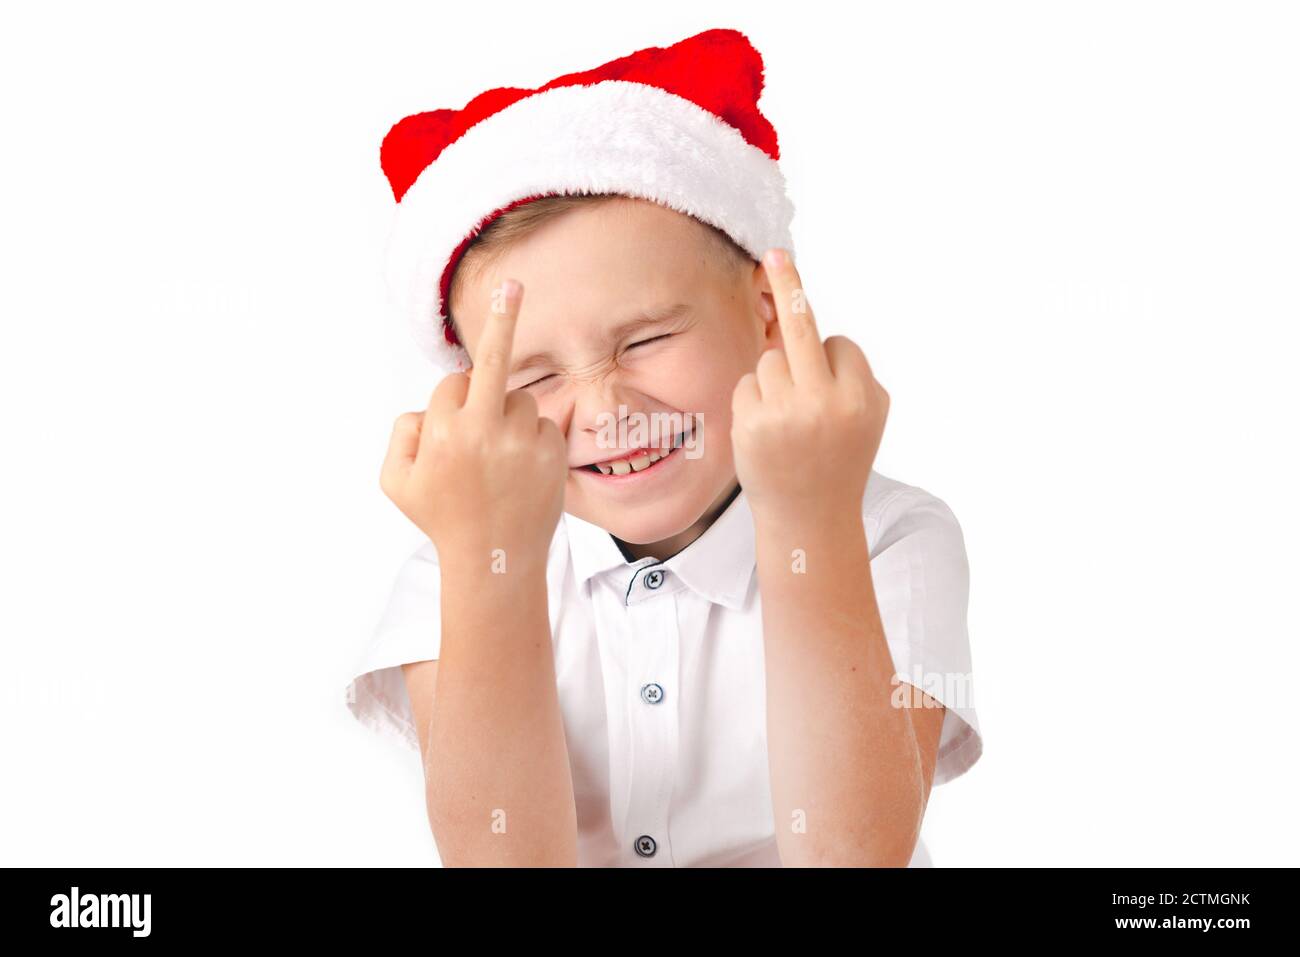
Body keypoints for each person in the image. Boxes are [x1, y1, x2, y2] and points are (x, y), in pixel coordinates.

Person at [345, 27, 983, 867]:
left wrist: (808, 517)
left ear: (764, 310)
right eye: (535, 375)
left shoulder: (886, 534)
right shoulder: (453, 568)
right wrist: (487, 560)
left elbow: (853, 857)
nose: (606, 408)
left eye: (644, 339)